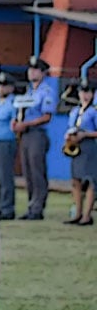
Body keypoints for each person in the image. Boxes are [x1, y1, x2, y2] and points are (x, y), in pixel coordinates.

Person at [12, 55, 55, 220]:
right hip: (25, 133)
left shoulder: (46, 91)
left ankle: (38, 207)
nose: (31, 72)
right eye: (30, 69)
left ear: (43, 72)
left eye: (35, 69)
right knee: (28, 171)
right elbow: (22, 111)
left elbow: (47, 116)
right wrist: (16, 121)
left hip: (37, 133)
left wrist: (27, 124)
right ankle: (31, 206)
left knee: (37, 171)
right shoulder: (29, 91)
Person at [63, 80, 96, 226]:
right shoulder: (75, 111)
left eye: (88, 92)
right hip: (76, 146)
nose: (85, 95)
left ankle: (87, 216)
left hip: (89, 146)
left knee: (90, 181)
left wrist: (86, 134)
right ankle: (77, 213)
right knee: (76, 180)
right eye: (83, 92)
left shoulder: (93, 111)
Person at [0, 72, 18, 220]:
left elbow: (16, 121)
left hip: (6, 141)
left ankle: (7, 208)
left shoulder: (14, 103)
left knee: (4, 175)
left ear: (11, 88)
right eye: (0, 85)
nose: (1, 88)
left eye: (5, 86)